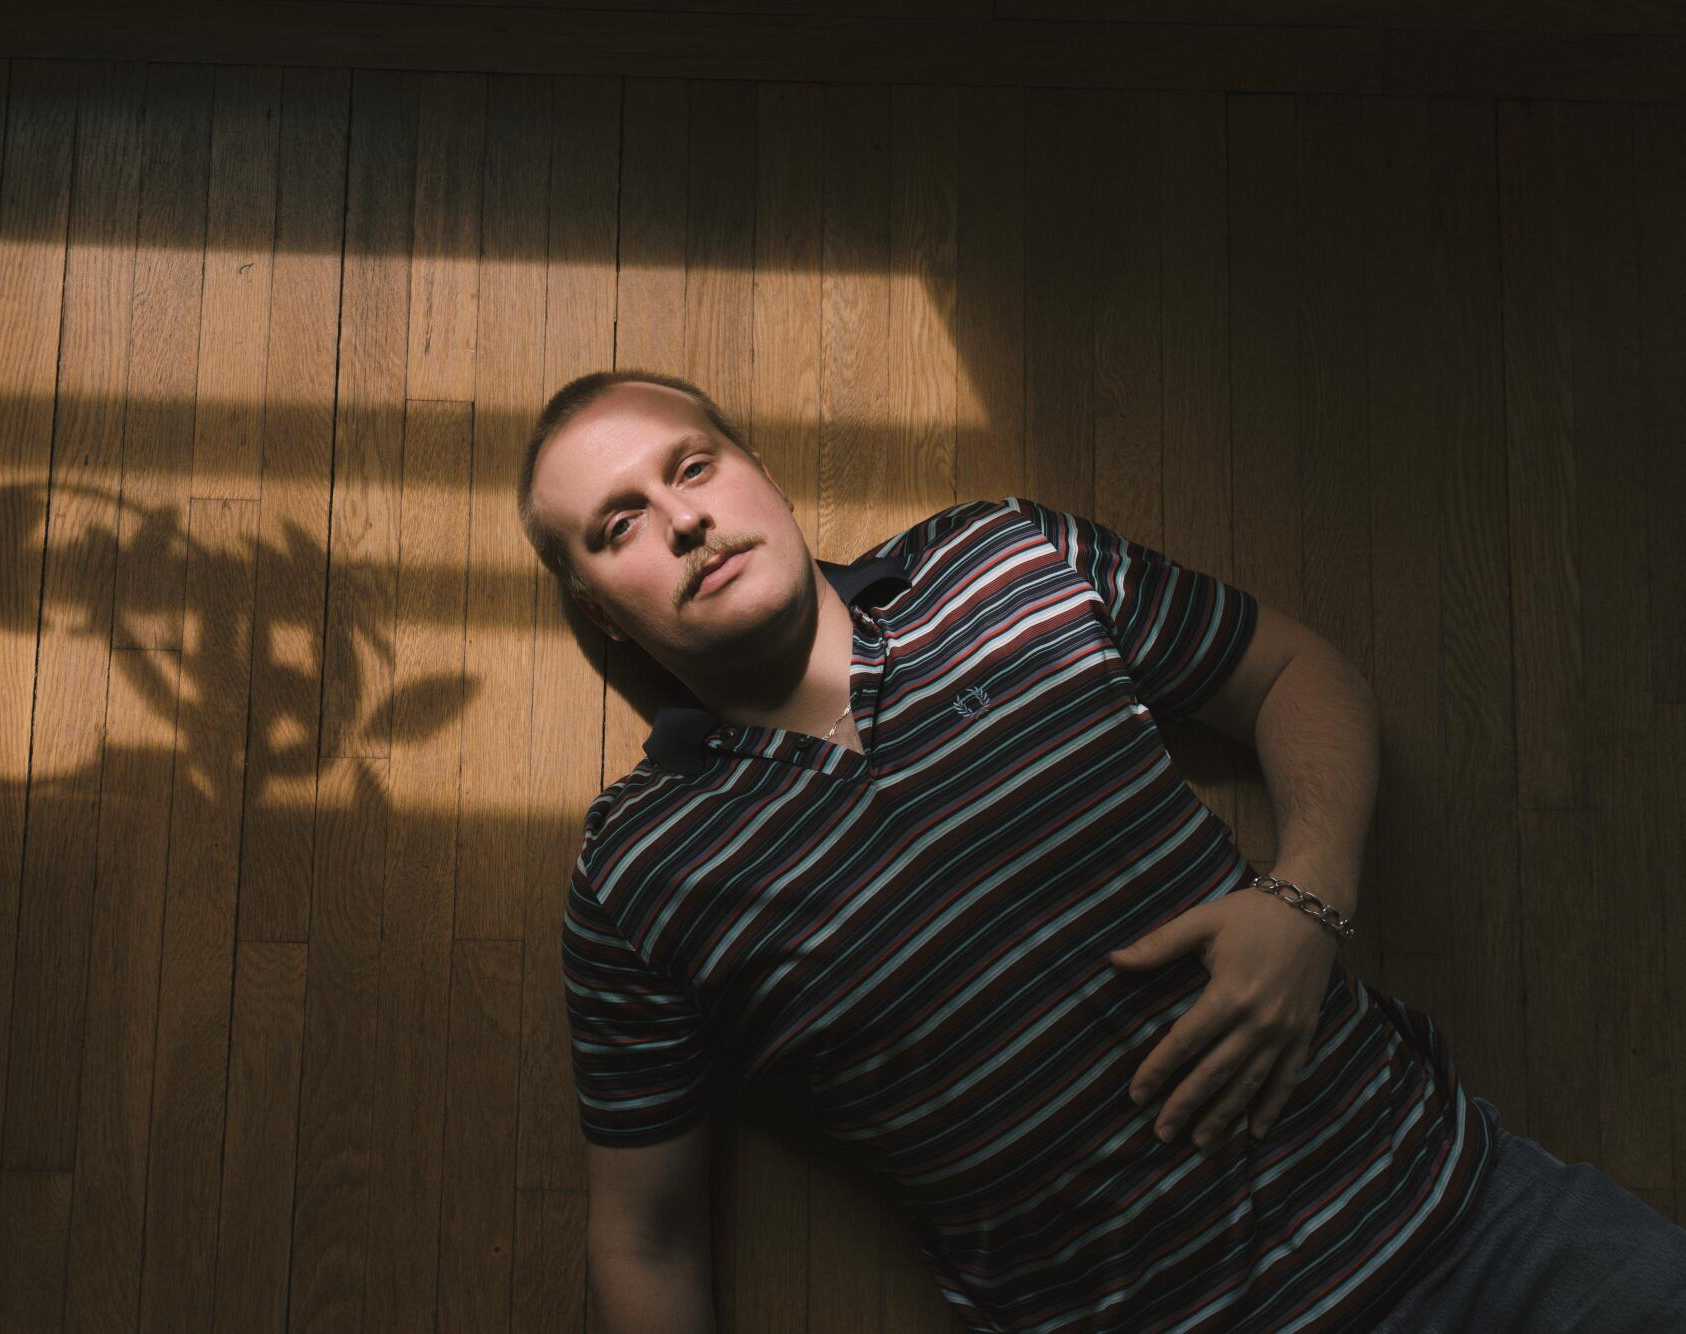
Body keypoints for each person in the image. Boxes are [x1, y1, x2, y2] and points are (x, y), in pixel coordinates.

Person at [522, 369, 1686, 1332]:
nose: (681, 518)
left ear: (756, 469)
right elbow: (646, 1233)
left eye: (691, 464)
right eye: (616, 525)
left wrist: (1306, 896)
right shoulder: (639, 871)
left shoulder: (1003, 562)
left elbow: (1296, 675)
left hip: (1484, 1231)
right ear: (601, 613)